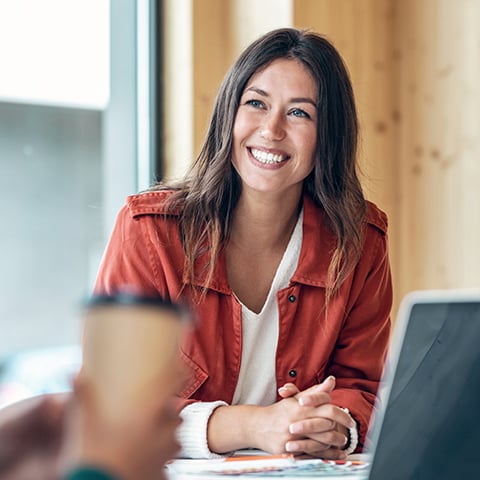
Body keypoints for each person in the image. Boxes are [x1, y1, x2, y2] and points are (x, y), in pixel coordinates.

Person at [94, 27, 393, 460]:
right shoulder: (149, 232)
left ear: (327, 135)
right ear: (229, 114)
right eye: (256, 103)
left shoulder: (359, 241)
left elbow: (363, 388)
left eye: (300, 114)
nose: (271, 130)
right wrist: (254, 425)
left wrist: (334, 426)